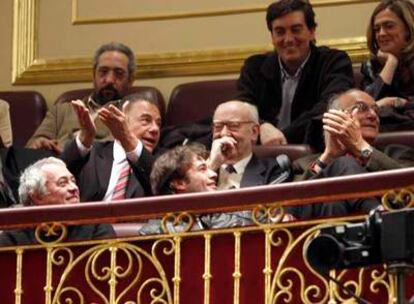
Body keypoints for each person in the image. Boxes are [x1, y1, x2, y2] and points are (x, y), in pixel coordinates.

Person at [237, 0, 354, 150]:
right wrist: (262, 126)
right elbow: (243, 106)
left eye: (296, 30)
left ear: (312, 32)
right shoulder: (254, 67)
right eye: (280, 32)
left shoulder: (334, 61)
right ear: (272, 36)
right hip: (261, 152)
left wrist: (282, 136)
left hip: (314, 150)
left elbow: (331, 106)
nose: (288, 39)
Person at [289, 89, 414, 219]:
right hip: (315, 233)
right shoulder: (303, 164)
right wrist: (328, 157)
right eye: (361, 108)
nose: (373, 115)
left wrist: (361, 147)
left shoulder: (398, 153)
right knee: (343, 167)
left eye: (376, 110)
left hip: (394, 233)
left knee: (341, 176)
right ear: (336, 117)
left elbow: (410, 188)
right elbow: (289, 207)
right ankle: (378, 214)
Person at [26, 42, 136, 154]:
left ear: (130, 80)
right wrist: (39, 144)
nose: (109, 80)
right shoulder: (60, 112)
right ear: (93, 75)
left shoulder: (132, 116)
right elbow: (31, 147)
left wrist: (71, 149)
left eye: (119, 74)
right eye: (103, 72)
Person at [62, 92, 161, 202]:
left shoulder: (162, 161)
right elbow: (58, 175)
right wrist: (86, 136)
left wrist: (128, 139)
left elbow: (161, 185)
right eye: (146, 120)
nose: (155, 129)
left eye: (158, 124)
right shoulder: (92, 153)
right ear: (122, 117)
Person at [139, 144, 255, 235]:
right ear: (180, 183)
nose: (213, 174)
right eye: (202, 169)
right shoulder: (154, 233)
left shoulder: (234, 216)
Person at [0, 157, 115, 246]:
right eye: (62, 183)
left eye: (73, 181)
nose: (74, 188)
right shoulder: (14, 232)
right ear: (37, 197)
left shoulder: (96, 226)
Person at [208, 100, 292, 190]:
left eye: (233, 126)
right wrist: (211, 166)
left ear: (254, 132)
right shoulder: (198, 166)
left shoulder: (276, 171)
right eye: (218, 126)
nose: (224, 133)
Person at [361, 0, 414, 132]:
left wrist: (394, 104)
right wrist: (391, 63)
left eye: (389, 26)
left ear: (408, 30)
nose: (381, 34)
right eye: (377, 29)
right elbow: (364, 110)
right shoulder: (370, 67)